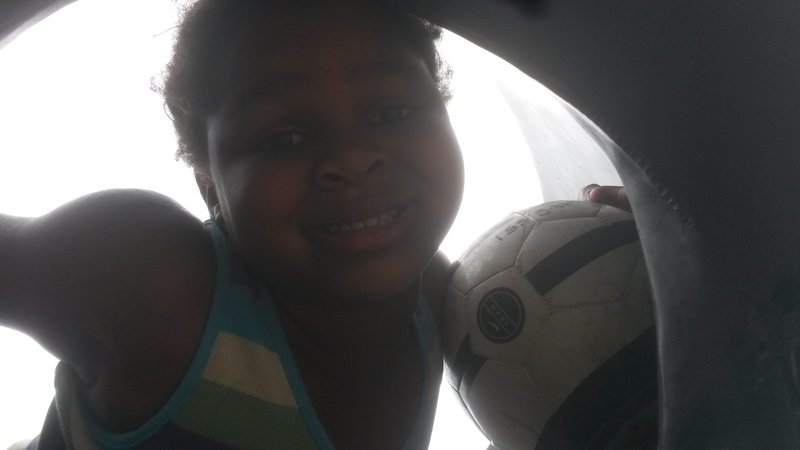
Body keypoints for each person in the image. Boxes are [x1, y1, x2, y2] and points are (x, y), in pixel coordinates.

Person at [0, 0, 628, 448]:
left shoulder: (451, 307)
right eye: (284, 137)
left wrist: (636, 256)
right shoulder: (152, 285)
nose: (351, 158)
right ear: (209, 184)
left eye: (391, 110)